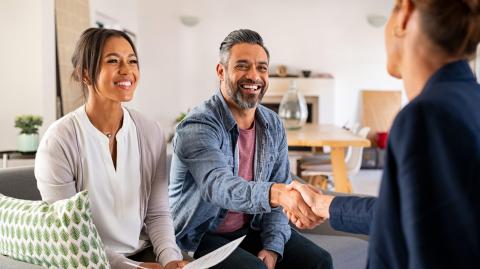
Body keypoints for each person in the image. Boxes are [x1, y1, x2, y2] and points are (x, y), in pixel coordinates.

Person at [285, 0, 480, 268]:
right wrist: (323, 203)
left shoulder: (427, 116)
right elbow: (404, 215)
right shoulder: (469, 101)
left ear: (405, 14)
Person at [168, 29, 331, 269]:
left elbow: (280, 186)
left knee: (319, 261)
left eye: (262, 68)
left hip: (248, 229)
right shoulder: (198, 125)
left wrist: (273, 246)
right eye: (242, 66)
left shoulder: (273, 124)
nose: (254, 76)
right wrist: (277, 194)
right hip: (199, 236)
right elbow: (219, 186)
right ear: (221, 71)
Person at [35, 28, 188, 269]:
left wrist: (170, 258)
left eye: (132, 61)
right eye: (113, 61)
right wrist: (129, 267)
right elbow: (69, 235)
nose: (127, 70)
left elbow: (157, 213)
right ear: (85, 74)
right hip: (84, 261)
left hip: (141, 252)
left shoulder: (150, 131)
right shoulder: (59, 141)